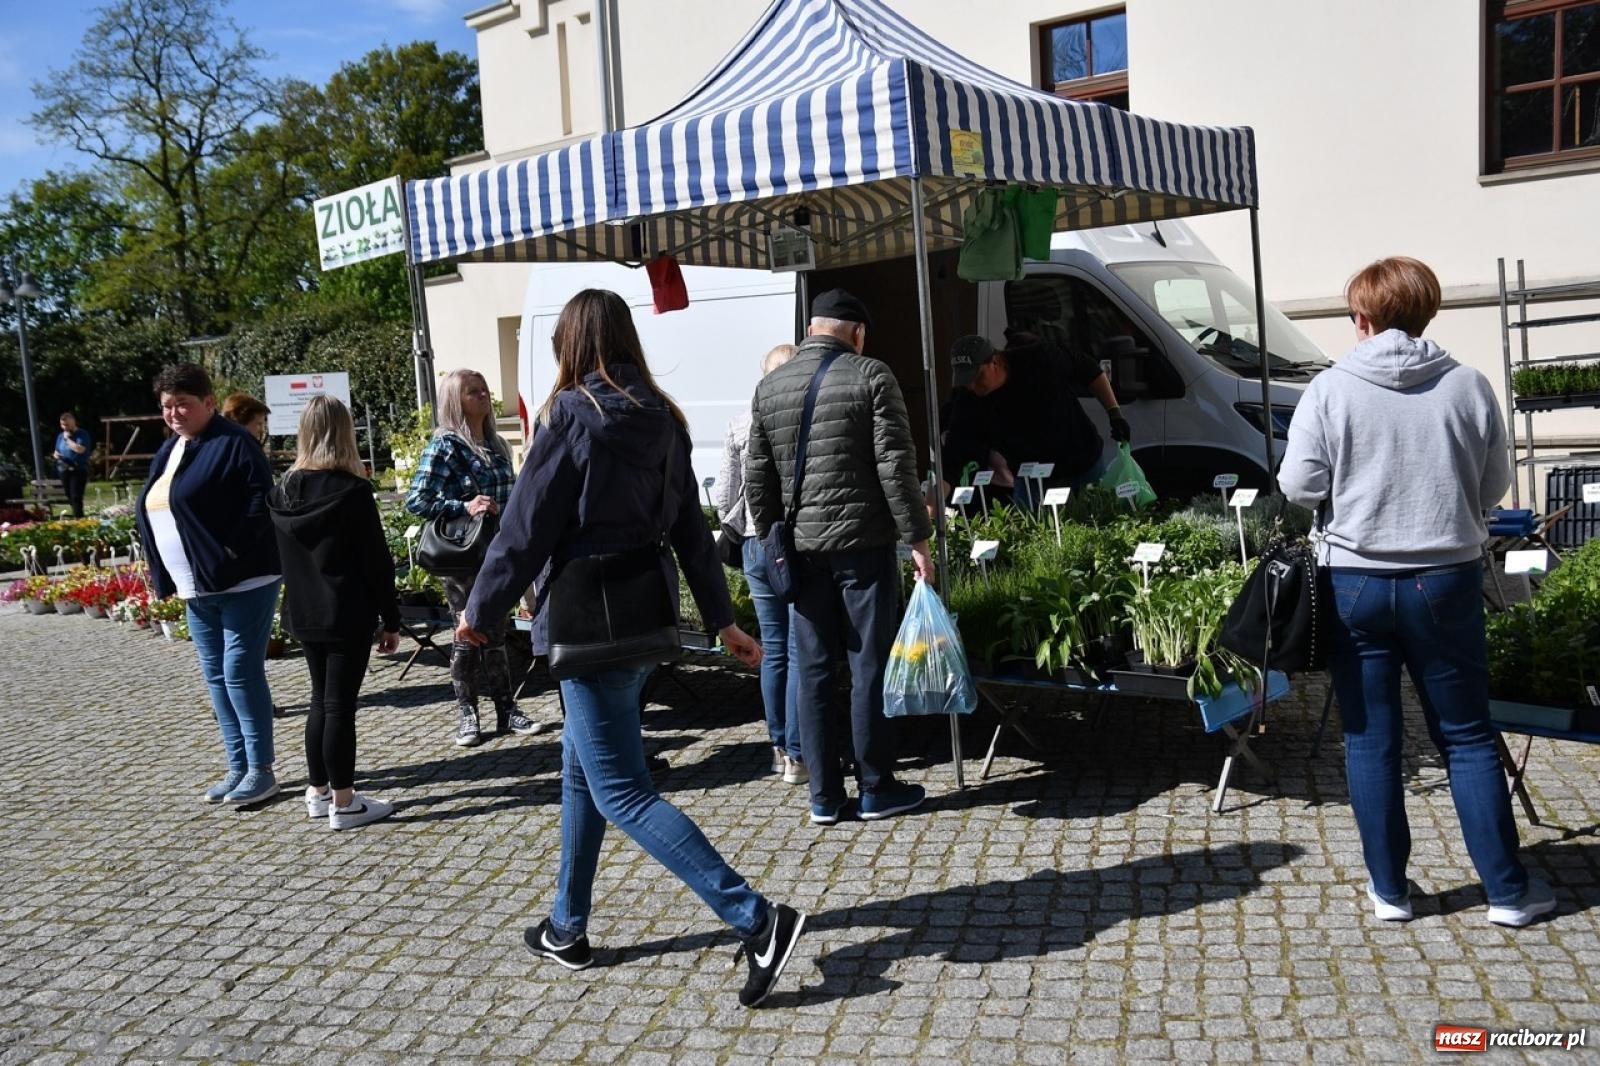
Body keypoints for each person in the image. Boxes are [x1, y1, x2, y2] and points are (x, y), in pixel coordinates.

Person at [458, 288, 805, 1008]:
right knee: (583, 771)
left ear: (572, 344)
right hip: (646, 617)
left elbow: (525, 531)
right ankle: (567, 925)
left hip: (588, 625)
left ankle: (759, 920)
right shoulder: (665, 418)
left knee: (621, 791)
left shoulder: (568, 419)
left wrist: (479, 612)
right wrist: (722, 621)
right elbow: (692, 532)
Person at [1279, 256, 1555, 928]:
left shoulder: (1331, 388)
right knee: (1465, 735)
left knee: (1372, 740)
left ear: (1364, 317)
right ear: (1427, 312)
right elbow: (1493, 486)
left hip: (1355, 581)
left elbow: (1298, 486)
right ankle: (1508, 893)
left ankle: (1390, 892)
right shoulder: (1468, 384)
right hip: (1446, 578)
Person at [746, 288, 935, 826]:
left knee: (812, 671)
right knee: (867, 664)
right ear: (856, 332)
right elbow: (896, 467)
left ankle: (823, 797)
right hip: (862, 548)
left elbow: (758, 481)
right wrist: (917, 540)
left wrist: (774, 541)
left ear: (811, 330)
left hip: (800, 554)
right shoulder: (872, 376)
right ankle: (875, 786)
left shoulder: (769, 387)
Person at [135, 363, 282, 806]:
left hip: (244, 580)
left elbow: (263, 499)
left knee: (239, 671)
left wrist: (231, 550)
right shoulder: (173, 448)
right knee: (216, 676)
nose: (174, 413)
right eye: (166, 406)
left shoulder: (234, 442)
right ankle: (237, 767)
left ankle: (261, 769)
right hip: (196, 586)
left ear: (208, 403)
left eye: (183, 403)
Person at [268, 396, 401, 830]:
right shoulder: (353, 490)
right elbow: (377, 561)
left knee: (320, 701)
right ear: (345, 432)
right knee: (340, 705)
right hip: (345, 610)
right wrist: (392, 618)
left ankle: (318, 790)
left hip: (303, 610)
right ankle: (345, 803)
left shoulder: (283, 490)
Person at [406, 369, 541, 746]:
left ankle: (505, 708)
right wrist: (463, 505)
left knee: (497, 632)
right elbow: (418, 499)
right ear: (455, 400)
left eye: (484, 389)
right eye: (473, 392)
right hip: (463, 556)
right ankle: (467, 713)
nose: (483, 395)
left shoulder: (495, 443)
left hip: (497, 552)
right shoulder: (446, 445)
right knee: (467, 633)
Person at [714, 342, 805, 786]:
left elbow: (722, 498)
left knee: (773, 648)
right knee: (798, 646)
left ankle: (779, 746)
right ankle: (800, 755)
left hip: (754, 542)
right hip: (796, 543)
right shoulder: (803, 419)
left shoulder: (738, 424)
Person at [942, 330, 1130, 503]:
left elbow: (1089, 369)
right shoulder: (967, 398)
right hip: (1030, 477)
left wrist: (1114, 413)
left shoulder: (1039, 359)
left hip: (1082, 463)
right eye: (966, 381)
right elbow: (954, 453)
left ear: (995, 361)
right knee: (1034, 531)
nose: (973, 386)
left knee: (1095, 523)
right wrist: (933, 505)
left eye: (978, 377)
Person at [54, 412, 92, 518]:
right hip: (64, 469)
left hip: (78, 469)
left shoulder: (82, 434)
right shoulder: (60, 436)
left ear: (73, 422)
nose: (64, 427)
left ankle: (79, 519)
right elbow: (56, 451)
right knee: (69, 495)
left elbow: (79, 449)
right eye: (62, 425)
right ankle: (77, 516)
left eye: (67, 425)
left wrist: (67, 439)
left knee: (76, 496)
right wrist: (57, 456)